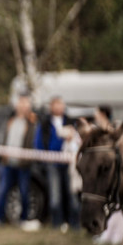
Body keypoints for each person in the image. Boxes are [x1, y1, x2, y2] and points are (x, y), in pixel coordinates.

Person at [0, 93, 36, 228]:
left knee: (24, 191)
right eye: (20, 103)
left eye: (25, 103)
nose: (22, 106)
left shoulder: (32, 123)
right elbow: (3, 139)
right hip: (8, 164)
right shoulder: (10, 121)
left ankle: (24, 220)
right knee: (3, 191)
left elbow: (32, 142)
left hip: (23, 164)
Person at [35, 96, 78, 231]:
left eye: (61, 104)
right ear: (51, 107)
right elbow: (38, 143)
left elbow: (78, 140)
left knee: (72, 194)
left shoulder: (71, 122)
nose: (59, 107)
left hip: (69, 163)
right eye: (56, 105)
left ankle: (74, 223)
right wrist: (43, 158)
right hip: (52, 164)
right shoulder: (45, 123)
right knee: (55, 196)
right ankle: (57, 223)